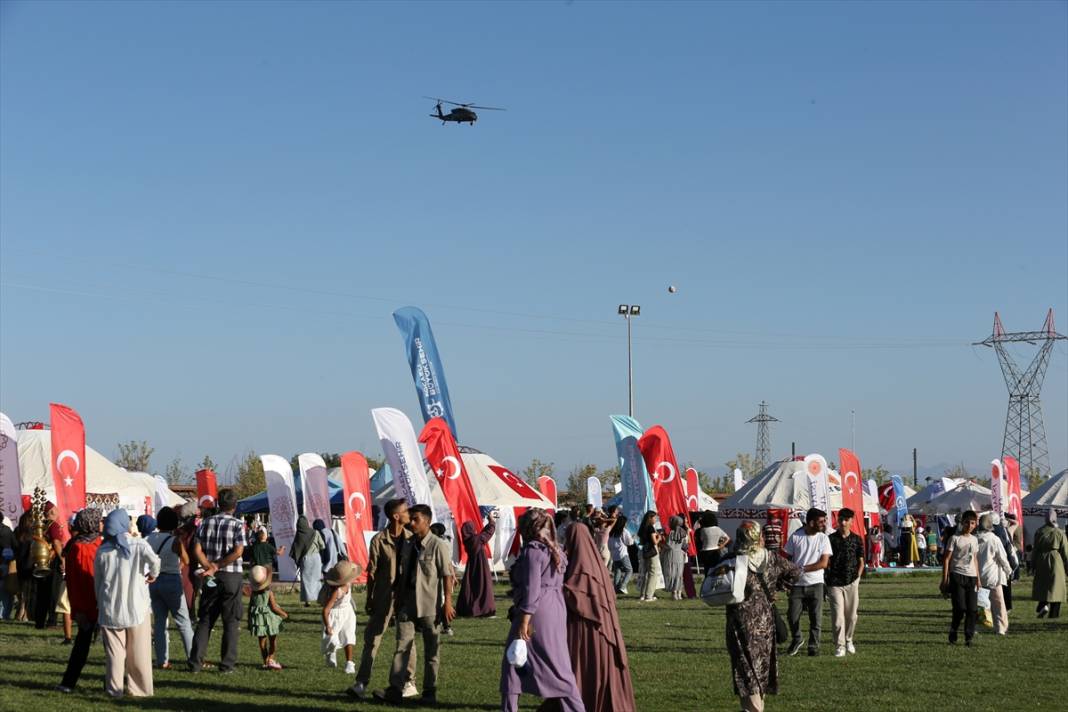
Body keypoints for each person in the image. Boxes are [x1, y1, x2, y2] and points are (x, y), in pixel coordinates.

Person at [500, 508, 584, 712]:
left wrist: (525, 619)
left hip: (537, 610)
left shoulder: (533, 550)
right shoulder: (556, 550)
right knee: (557, 661)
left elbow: (532, 587)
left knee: (513, 662)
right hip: (555, 608)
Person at [376, 504, 454, 706]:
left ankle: (429, 691)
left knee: (431, 650)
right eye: (410, 518)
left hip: (430, 604)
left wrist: (447, 603)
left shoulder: (438, 545)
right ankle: (395, 688)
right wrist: (398, 600)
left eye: (416, 519)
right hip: (407, 602)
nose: (411, 522)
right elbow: (402, 574)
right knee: (402, 645)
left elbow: (447, 575)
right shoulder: (409, 544)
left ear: (427, 521)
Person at [725, 520, 801, 712]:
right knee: (761, 666)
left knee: (745, 667)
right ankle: (755, 707)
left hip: (739, 619)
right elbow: (795, 571)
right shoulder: (772, 558)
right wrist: (778, 587)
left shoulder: (733, 559)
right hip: (765, 621)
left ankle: (753, 709)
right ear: (759, 536)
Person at [561, 520, 637, 712]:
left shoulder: (579, 565)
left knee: (584, 664)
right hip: (603, 629)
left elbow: (575, 594)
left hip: (585, 629)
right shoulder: (598, 564)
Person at [348, 498, 416, 701]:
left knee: (406, 641)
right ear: (396, 516)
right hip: (383, 597)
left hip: (406, 598)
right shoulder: (378, 540)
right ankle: (361, 683)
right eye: (405, 511)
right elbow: (372, 572)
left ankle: (409, 682)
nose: (409, 513)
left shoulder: (412, 539)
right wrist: (369, 597)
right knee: (372, 639)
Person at [95, 508, 161, 698]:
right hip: (137, 607)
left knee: (115, 654)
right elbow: (155, 562)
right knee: (139, 652)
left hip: (110, 607)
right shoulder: (139, 545)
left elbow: (98, 582)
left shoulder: (103, 551)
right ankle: (140, 689)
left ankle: (114, 689)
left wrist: (100, 602)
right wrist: (153, 575)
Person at [188, 488, 247, 673]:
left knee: (205, 619)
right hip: (231, 575)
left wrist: (209, 566)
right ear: (235, 505)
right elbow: (238, 551)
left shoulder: (205, 523)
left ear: (218, 504)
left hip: (210, 576)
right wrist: (218, 565)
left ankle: (195, 662)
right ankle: (227, 664)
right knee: (230, 621)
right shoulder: (238, 525)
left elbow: (197, 550)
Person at [56, 508, 103, 693]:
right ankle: (68, 682)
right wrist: (79, 610)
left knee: (109, 647)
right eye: (98, 521)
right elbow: (76, 581)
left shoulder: (99, 543)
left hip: (99, 601)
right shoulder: (78, 547)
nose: (101, 524)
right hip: (89, 603)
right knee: (82, 646)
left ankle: (112, 683)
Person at [145, 506, 194, 669]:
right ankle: (193, 658)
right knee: (183, 621)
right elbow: (186, 560)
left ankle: (162, 660)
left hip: (154, 580)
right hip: (171, 580)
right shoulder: (175, 540)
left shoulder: (149, 539)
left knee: (160, 622)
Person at [783, 507, 832, 656]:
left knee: (815, 618)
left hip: (816, 583)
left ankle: (813, 646)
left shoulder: (823, 538)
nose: (823, 524)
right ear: (811, 522)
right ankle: (797, 638)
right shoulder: (796, 537)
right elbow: (786, 558)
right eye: (821, 521)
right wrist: (786, 576)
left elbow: (824, 563)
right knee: (792, 615)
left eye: (824, 521)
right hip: (797, 585)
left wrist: (802, 569)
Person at [826, 508, 865, 657]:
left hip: (852, 582)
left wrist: (858, 577)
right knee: (838, 617)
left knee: (852, 615)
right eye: (841, 519)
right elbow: (826, 560)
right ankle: (840, 645)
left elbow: (861, 561)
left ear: (851, 521)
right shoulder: (831, 539)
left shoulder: (857, 539)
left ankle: (849, 640)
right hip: (834, 582)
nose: (843, 522)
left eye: (846, 520)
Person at [940, 509, 980, 645]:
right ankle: (953, 629)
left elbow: (975, 559)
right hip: (957, 575)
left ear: (976, 524)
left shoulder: (975, 540)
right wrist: (944, 579)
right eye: (967, 522)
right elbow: (946, 559)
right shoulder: (954, 538)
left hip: (972, 577)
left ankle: (969, 637)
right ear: (962, 523)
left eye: (973, 523)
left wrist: (978, 578)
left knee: (973, 609)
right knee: (960, 608)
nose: (970, 525)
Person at [321, 559, 361, 673]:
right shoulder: (336, 592)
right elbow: (325, 610)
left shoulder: (348, 583)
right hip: (334, 615)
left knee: (348, 636)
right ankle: (330, 654)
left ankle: (349, 663)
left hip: (347, 612)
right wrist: (328, 625)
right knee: (332, 640)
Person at [976, 513, 1013, 635]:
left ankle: (976, 627)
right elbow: (1002, 557)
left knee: (979, 603)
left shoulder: (974, 538)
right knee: (998, 603)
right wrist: (1009, 570)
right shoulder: (994, 539)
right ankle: (1001, 628)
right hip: (992, 576)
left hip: (977, 576)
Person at [457, 510, 497, 618]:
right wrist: (492, 522)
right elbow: (487, 533)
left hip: (473, 565)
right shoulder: (476, 540)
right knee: (483, 585)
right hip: (480, 565)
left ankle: (469, 608)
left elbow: (482, 535)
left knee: (471, 585)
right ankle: (483, 608)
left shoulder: (470, 539)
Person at [247, 564, 288, 670]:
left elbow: (250, 607)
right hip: (270, 620)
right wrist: (283, 613)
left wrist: (249, 620)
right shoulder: (268, 592)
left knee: (262, 641)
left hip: (258, 620)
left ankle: (265, 660)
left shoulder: (253, 594)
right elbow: (274, 607)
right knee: (273, 640)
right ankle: (271, 658)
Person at [1032, 509, 1068, 619]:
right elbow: (1065, 551)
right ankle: (1053, 614)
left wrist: (1033, 565)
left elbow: (1035, 550)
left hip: (1041, 560)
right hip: (1056, 560)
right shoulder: (1060, 533)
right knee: (1057, 587)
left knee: (1043, 585)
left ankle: (1043, 605)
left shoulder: (1039, 531)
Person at [290, 515, 324, 605]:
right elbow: (322, 545)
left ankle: (307, 601)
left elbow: (296, 549)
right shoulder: (315, 532)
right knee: (317, 579)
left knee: (306, 580)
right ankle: (320, 599)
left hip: (306, 559)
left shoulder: (299, 535)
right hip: (316, 558)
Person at [636, 511, 662, 602]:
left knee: (646, 573)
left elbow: (641, 541)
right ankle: (649, 595)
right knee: (653, 573)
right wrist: (659, 537)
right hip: (652, 552)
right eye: (654, 518)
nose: (655, 519)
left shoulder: (642, 527)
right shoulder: (650, 528)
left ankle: (642, 595)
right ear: (650, 518)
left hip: (645, 551)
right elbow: (654, 542)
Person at [661, 515, 689, 600]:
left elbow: (668, 545)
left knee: (671, 572)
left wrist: (661, 544)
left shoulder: (671, 533)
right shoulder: (684, 532)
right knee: (679, 573)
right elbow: (686, 545)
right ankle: (678, 593)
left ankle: (673, 592)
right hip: (680, 554)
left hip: (671, 554)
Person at [608, 515, 634, 595]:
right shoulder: (624, 531)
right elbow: (629, 542)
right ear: (623, 523)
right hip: (622, 554)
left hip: (614, 555)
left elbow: (609, 544)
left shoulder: (612, 532)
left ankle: (615, 589)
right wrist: (633, 538)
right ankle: (623, 586)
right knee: (629, 570)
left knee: (617, 571)